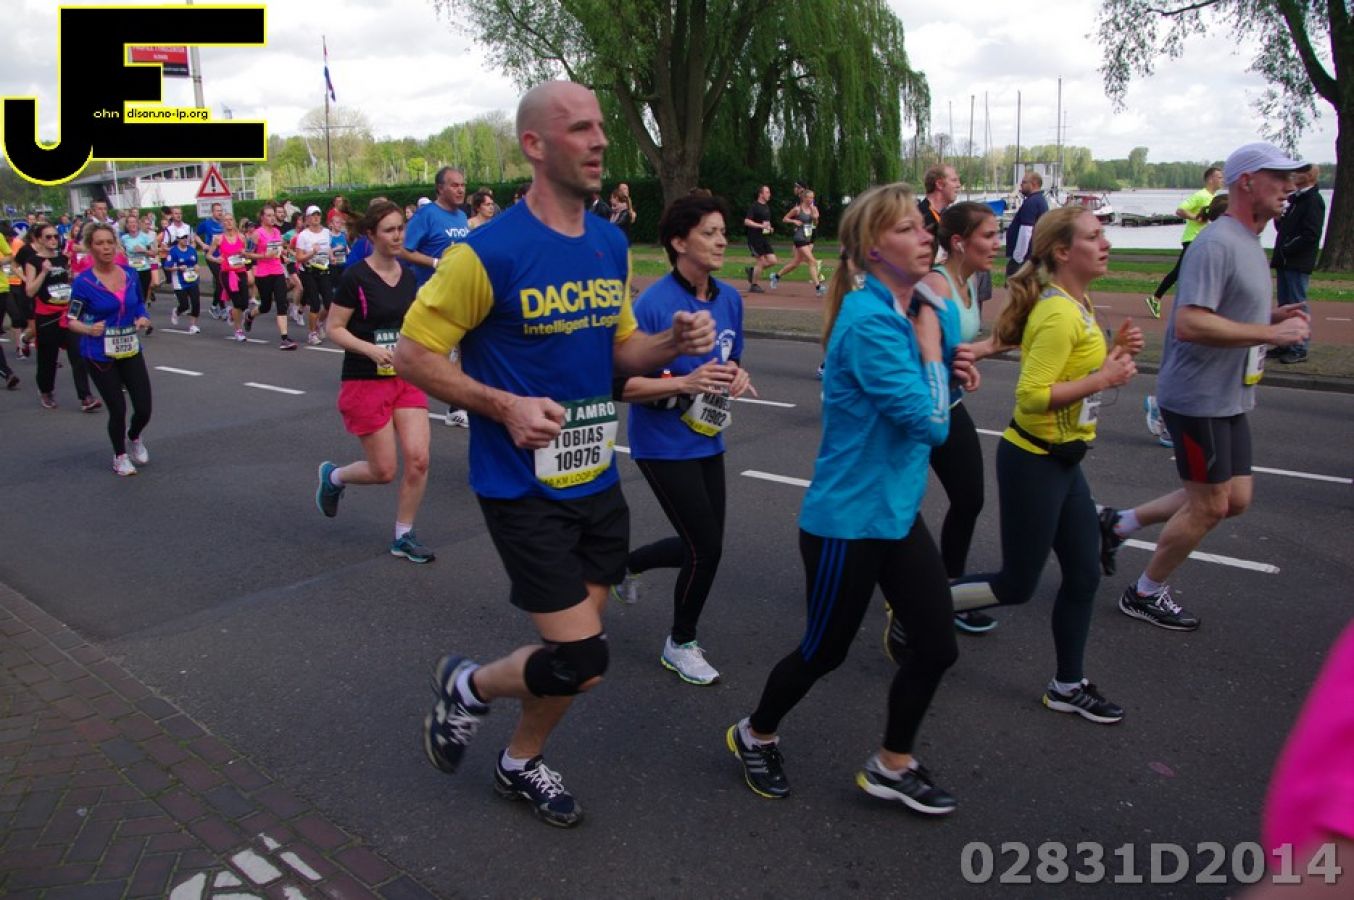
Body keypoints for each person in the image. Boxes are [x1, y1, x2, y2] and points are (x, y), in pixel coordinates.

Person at [395, 80, 716, 829]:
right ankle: (469, 686)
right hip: (521, 488)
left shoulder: (609, 243)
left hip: (596, 476)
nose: (600, 140)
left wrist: (670, 342)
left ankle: (519, 761)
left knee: (578, 656)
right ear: (535, 146)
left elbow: (619, 352)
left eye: (600, 126)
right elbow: (412, 355)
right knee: (582, 659)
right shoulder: (487, 253)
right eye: (579, 128)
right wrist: (503, 405)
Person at [727, 182, 969, 814]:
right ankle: (755, 734)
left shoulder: (915, 308)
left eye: (923, 224)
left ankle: (892, 764)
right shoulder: (868, 323)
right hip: (847, 523)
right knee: (824, 651)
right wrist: (934, 358)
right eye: (907, 228)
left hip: (896, 514)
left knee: (936, 646)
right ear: (872, 248)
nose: (925, 234)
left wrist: (951, 365)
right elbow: (931, 425)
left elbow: (941, 376)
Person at [1097, 143, 1312, 632]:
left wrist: (1270, 315)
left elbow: (1222, 308)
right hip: (1198, 398)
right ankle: (1144, 592)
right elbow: (1190, 322)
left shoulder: (1249, 240)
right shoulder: (1216, 243)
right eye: (1279, 177)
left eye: (1292, 178)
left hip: (1229, 395)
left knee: (1234, 498)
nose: (1289, 187)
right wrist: (1270, 332)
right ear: (1247, 182)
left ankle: (1119, 523)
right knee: (1210, 503)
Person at [950, 205, 1144, 725]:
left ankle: (1067, 686)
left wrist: (1114, 355)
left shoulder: (1077, 302)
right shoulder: (1059, 312)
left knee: (1083, 574)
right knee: (1016, 585)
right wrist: (1105, 378)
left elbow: (1070, 364)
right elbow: (1033, 396)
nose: (1106, 244)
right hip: (1033, 461)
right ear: (1062, 251)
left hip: (1064, 462)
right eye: (1094, 237)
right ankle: (918, 603)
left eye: (1104, 235)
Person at [613, 193, 756, 685]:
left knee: (704, 543)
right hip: (661, 444)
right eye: (709, 233)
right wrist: (683, 383)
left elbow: (731, 358)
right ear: (679, 242)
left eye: (723, 233)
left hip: (708, 436)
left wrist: (736, 375)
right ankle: (681, 642)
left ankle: (624, 565)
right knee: (705, 548)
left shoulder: (729, 299)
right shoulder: (653, 305)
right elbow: (619, 385)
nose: (721, 241)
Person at [315, 200, 434, 563]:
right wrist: (370, 349)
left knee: (419, 459)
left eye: (401, 229)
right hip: (365, 379)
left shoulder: (409, 277)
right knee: (384, 470)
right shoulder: (356, 278)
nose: (398, 236)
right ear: (371, 235)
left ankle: (403, 535)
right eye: (389, 230)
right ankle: (334, 478)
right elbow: (334, 328)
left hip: (405, 377)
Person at [910, 201, 1005, 636]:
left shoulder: (971, 282)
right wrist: (968, 359)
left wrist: (966, 365)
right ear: (959, 242)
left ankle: (949, 592)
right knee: (899, 506)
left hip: (950, 404)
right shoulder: (936, 284)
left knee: (970, 499)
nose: (997, 243)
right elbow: (919, 354)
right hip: (918, 412)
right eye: (989, 235)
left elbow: (953, 349)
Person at [65, 224, 153, 476]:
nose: (106, 248)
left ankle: (134, 436)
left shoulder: (130, 274)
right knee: (117, 408)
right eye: (99, 243)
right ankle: (120, 456)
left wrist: (143, 317)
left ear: (116, 244)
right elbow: (71, 320)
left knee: (144, 408)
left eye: (109, 242)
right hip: (99, 353)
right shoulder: (83, 283)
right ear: (90, 248)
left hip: (129, 347)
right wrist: (88, 328)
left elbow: (139, 304)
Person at [21, 223, 100, 412]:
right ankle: (46, 391)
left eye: (55, 236)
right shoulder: (33, 261)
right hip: (47, 315)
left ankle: (86, 397)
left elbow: (67, 282)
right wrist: (44, 272)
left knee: (78, 354)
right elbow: (30, 291)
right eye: (48, 237)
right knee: (48, 358)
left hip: (67, 313)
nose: (53, 240)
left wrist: (73, 279)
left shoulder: (63, 258)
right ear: (39, 239)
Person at [1146, 166, 1224, 320]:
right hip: (1193, 240)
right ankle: (1157, 298)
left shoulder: (1214, 198)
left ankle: (1198, 305)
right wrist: (1195, 217)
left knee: (1194, 272)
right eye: (1219, 177)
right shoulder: (1201, 195)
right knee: (1181, 271)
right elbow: (1180, 210)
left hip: (1203, 241)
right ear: (1210, 179)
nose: (1222, 180)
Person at [1269, 164, 1324, 365]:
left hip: (1297, 262)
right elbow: (1285, 229)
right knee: (1285, 305)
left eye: (1299, 172)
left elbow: (1311, 234)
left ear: (1309, 176)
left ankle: (1300, 347)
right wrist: (1278, 220)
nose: (1294, 175)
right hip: (1286, 260)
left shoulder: (1313, 201)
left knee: (1297, 303)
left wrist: (1287, 248)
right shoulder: (1295, 200)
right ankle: (1286, 342)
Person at [244, 204, 298, 349]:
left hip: (278, 271)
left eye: (273, 215)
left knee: (282, 303)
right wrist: (264, 255)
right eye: (268, 215)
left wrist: (283, 254)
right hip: (263, 274)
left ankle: (284, 338)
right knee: (266, 306)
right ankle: (250, 315)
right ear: (262, 218)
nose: (272, 218)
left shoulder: (276, 232)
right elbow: (247, 254)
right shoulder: (257, 234)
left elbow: (277, 249)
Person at [206, 214, 251, 343]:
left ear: (234, 222)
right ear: (223, 224)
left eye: (231, 220)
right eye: (226, 221)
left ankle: (231, 313)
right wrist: (216, 259)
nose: (229, 222)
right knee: (237, 302)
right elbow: (208, 255)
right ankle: (238, 330)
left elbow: (245, 253)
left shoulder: (241, 237)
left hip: (240, 271)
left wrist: (244, 256)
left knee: (244, 303)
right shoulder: (219, 238)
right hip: (227, 273)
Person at [294, 205, 334, 345]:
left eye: (318, 215)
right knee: (315, 304)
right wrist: (312, 253)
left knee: (330, 303)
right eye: (313, 215)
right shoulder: (303, 235)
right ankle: (312, 334)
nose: (316, 218)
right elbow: (299, 257)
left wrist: (331, 256)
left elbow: (328, 247)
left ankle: (319, 323)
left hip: (324, 269)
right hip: (308, 272)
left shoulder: (327, 232)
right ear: (308, 218)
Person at [775, 189, 824, 296]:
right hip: (799, 238)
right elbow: (784, 219)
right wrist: (794, 221)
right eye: (809, 197)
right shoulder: (797, 209)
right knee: (812, 261)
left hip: (807, 238)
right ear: (804, 198)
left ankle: (776, 276)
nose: (811, 200)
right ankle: (818, 287)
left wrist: (815, 217)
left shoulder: (814, 209)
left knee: (795, 263)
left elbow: (816, 224)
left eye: (812, 198)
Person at [1005, 171, 1049, 276]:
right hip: (1031, 256)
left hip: (1025, 258)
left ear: (1034, 184)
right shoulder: (1039, 200)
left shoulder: (1032, 202)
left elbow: (1026, 231)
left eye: (1024, 182)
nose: (1021, 185)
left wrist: (1018, 258)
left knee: (1015, 283)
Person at [164, 231, 202, 333]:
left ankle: (193, 325)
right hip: (179, 281)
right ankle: (177, 311)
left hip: (192, 279)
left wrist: (196, 267)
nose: (185, 239)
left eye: (186, 237)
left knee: (196, 302)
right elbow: (167, 267)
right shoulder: (173, 251)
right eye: (182, 238)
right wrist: (178, 268)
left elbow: (195, 263)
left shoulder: (192, 250)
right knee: (185, 305)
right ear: (178, 239)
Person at [742, 185, 778, 294]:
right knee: (761, 261)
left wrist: (769, 228)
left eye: (769, 192)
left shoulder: (766, 207)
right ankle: (754, 285)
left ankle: (753, 271)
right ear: (761, 194)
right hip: (754, 238)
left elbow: (766, 223)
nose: (769, 194)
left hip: (764, 238)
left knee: (773, 260)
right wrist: (761, 226)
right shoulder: (754, 206)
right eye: (767, 192)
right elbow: (747, 221)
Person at [196, 202, 226, 317]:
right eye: (217, 210)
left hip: (223, 256)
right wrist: (202, 244)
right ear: (212, 212)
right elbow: (195, 234)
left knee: (222, 281)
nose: (220, 212)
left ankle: (218, 307)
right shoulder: (206, 223)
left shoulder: (224, 223)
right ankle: (218, 307)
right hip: (211, 256)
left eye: (221, 210)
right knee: (220, 280)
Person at [918, 164, 961, 243]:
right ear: (939, 184)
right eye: (954, 180)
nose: (959, 185)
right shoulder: (919, 217)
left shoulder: (948, 216)